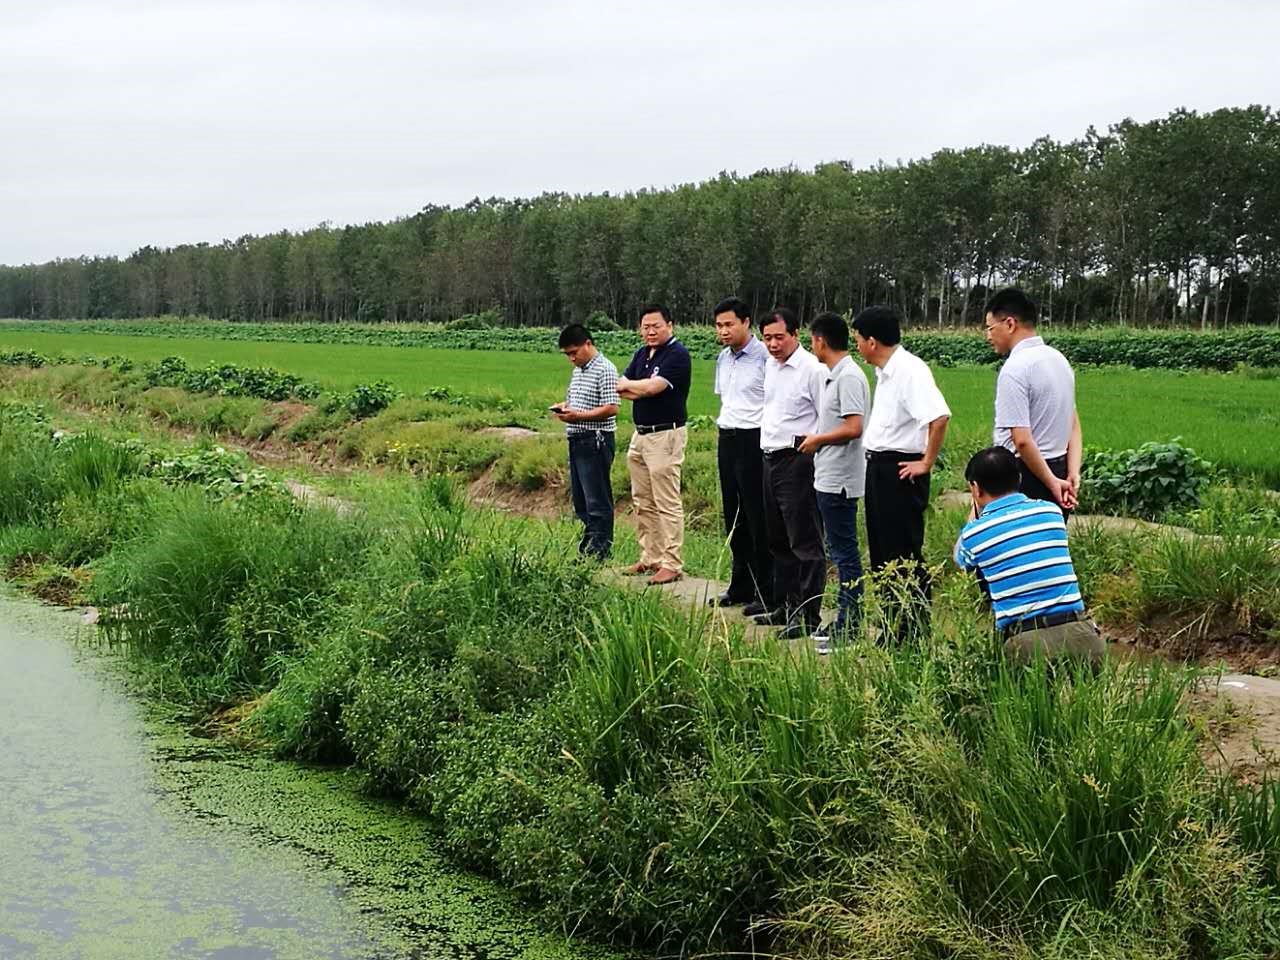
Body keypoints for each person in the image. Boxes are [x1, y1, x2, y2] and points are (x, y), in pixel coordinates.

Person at [954, 446, 1106, 665]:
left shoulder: (974, 534)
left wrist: (975, 510)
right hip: (1084, 637)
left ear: (976, 488)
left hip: (1026, 644)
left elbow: (959, 559)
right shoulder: (1051, 512)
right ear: (1019, 478)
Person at [853, 305, 950, 643]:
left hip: (901, 469)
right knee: (882, 552)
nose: (857, 346)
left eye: (858, 339)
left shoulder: (910, 371)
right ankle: (892, 625)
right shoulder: (885, 373)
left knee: (903, 552)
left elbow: (939, 417)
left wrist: (926, 462)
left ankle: (913, 629)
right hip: (879, 467)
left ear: (872, 341)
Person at [798, 312, 870, 650]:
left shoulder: (849, 377)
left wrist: (818, 439)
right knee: (839, 551)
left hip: (840, 478)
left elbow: (854, 427)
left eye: (811, 339)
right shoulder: (835, 375)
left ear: (820, 340)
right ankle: (844, 618)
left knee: (844, 554)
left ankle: (850, 624)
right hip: (828, 475)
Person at [756, 307, 827, 639]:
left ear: (796, 334)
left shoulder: (812, 370)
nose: (773, 344)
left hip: (797, 459)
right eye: (767, 338)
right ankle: (786, 604)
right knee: (777, 538)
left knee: (804, 539)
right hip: (769, 457)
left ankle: (808, 614)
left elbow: (827, 417)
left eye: (779, 337)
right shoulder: (770, 366)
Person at [984, 287, 1083, 515]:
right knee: (1049, 535)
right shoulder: (1059, 360)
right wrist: (1072, 472)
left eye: (990, 328)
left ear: (1010, 324)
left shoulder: (1015, 369)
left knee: (1014, 537)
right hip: (1059, 469)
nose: (988, 337)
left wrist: (1051, 483)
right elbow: (1073, 424)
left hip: (1022, 474)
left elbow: (1022, 441)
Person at [617, 304, 692, 586]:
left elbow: (652, 388)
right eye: (645, 327)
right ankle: (650, 557)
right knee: (643, 501)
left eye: (656, 326)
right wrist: (637, 387)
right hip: (640, 435)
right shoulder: (642, 354)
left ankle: (672, 563)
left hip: (665, 435)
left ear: (669, 326)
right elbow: (624, 386)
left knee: (666, 501)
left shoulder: (677, 354)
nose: (650, 331)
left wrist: (636, 387)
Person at [709, 296, 773, 615]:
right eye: (719, 325)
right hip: (728, 437)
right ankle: (740, 585)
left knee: (756, 515)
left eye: (729, 324)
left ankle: (765, 589)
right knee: (733, 514)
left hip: (754, 439)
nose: (723, 331)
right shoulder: (723, 358)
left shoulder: (764, 357)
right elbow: (726, 399)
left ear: (746, 322)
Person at [554, 324, 620, 561]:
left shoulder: (605, 369)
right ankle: (589, 550)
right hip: (576, 438)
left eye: (574, 352)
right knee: (582, 502)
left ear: (588, 344)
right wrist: (565, 408)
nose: (572, 358)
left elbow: (612, 407)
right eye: (567, 355)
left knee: (597, 501)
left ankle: (599, 553)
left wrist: (578, 416)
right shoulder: (578, 371)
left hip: (595, 439)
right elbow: (577, 401)